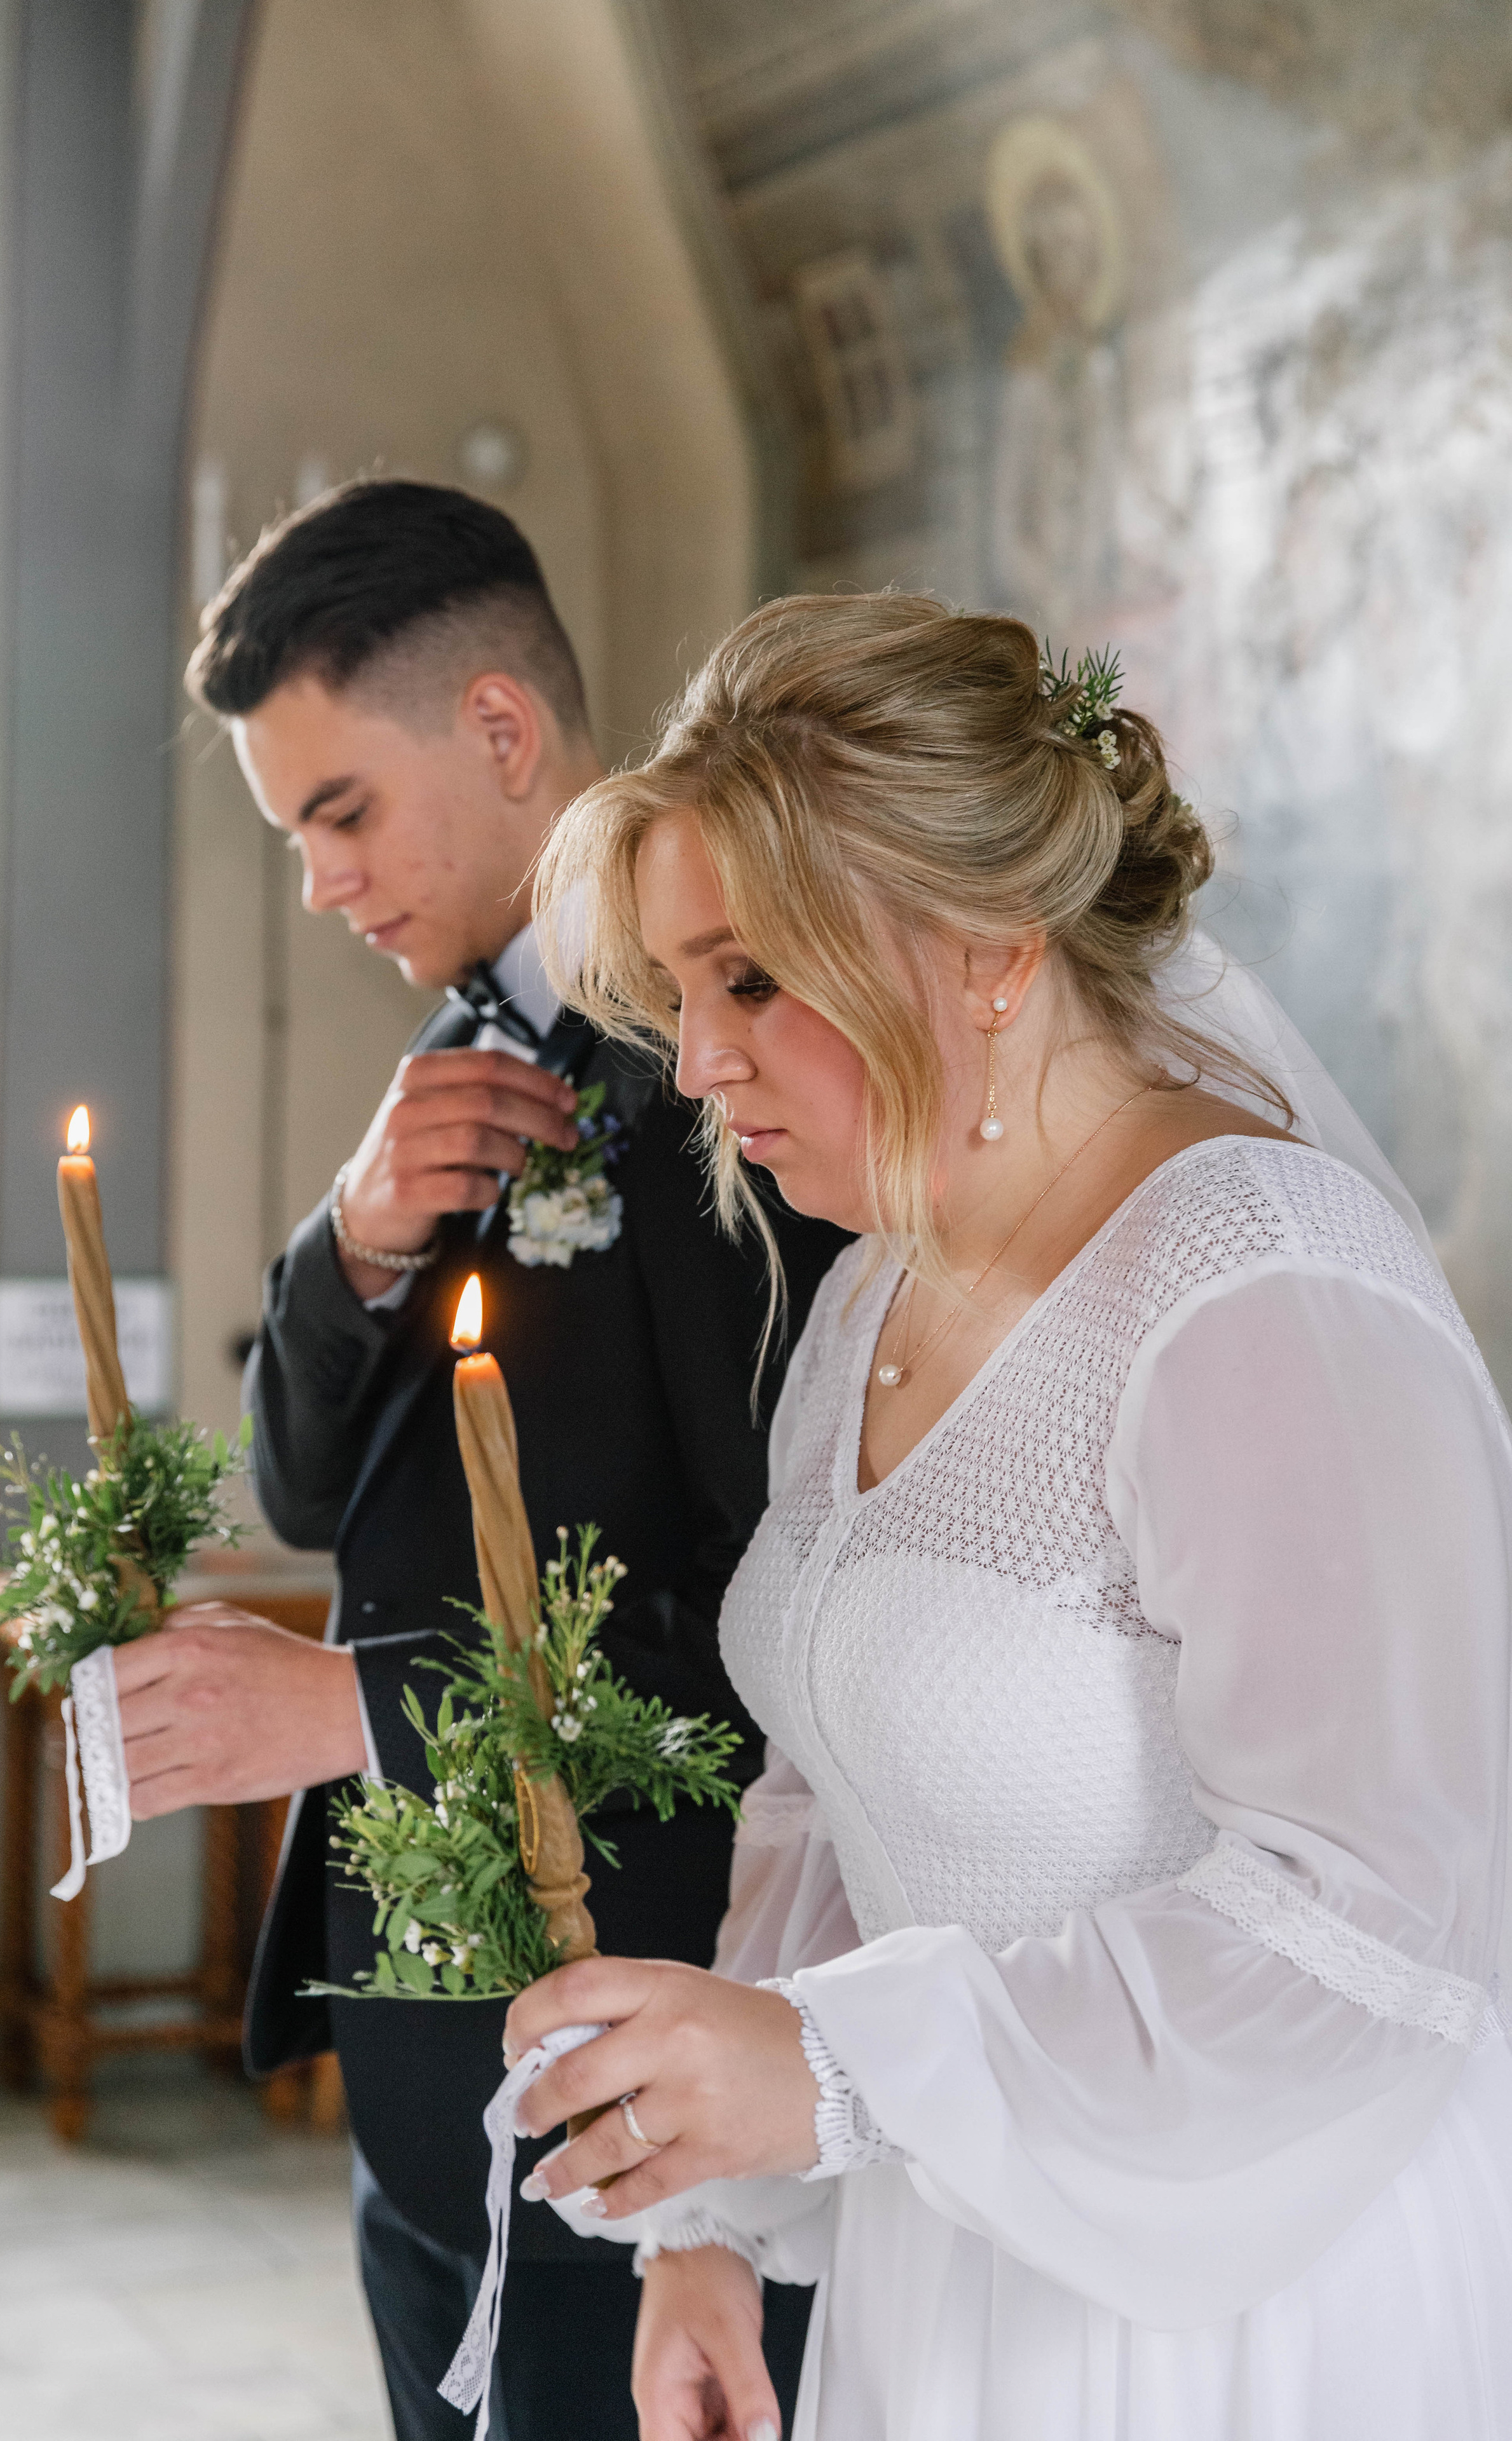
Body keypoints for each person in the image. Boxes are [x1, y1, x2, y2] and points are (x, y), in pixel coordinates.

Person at [500, 593, 1512, 2440]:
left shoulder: (1258, 1295)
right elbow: (834, 1791)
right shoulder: (882, 1288)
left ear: (983, 949)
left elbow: (1380, 1919)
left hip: (1248, 2302)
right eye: (679, 993)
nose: (699, 1066)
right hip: (956, 2245)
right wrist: (711, 2223)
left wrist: (834, 2070)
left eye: (751, 979)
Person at [115, 482, 841, 2439]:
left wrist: (364, 1712)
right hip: (424, 2066)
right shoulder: (450, 1058)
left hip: (632, 2045)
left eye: (339, 814)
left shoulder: (731, 1077)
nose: (319, 886)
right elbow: (294, 1489)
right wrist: (348, 1239)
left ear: (504, 732)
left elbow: (789, 1619)